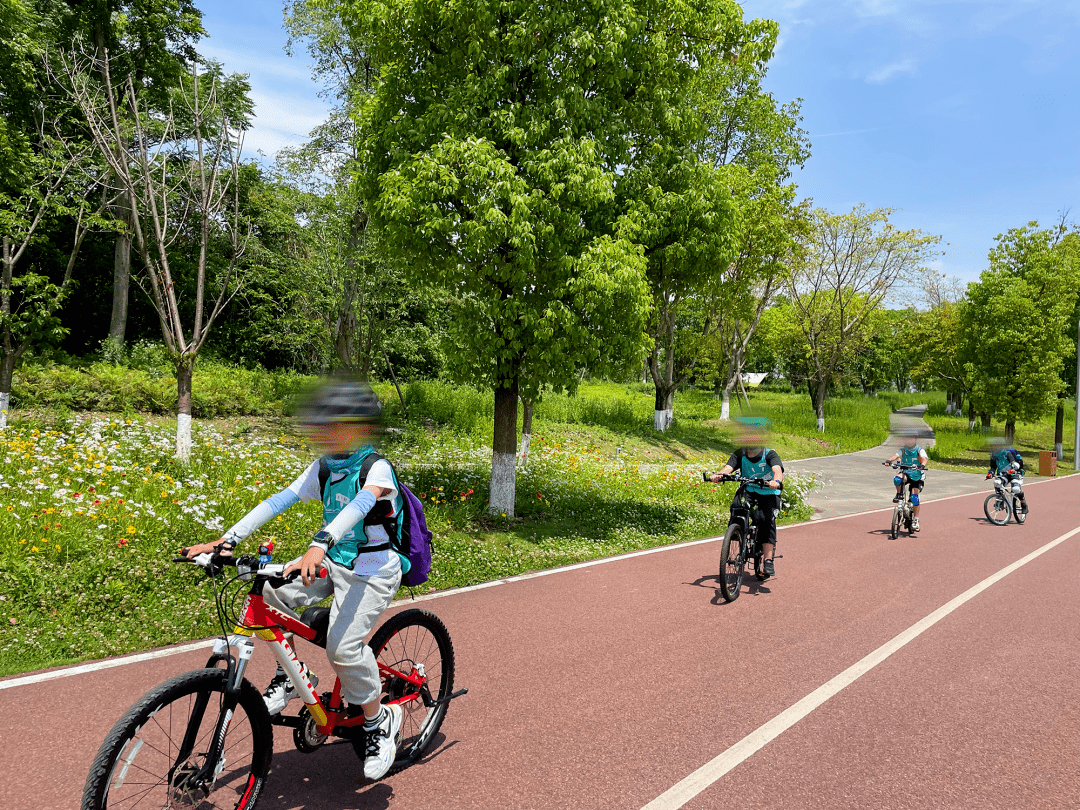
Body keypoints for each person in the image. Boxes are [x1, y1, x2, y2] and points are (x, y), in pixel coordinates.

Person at [183, 378, 404, 781]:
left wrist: (320, 542)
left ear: (359, 427)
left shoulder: (377, 467)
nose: (326, 432)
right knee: (269, 592)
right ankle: (293, 675)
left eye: (335, 423)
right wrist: (227, 539)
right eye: (323, 425)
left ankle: (378, 722)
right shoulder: (324, 466)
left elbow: (362, 503)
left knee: (343, 648)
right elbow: (279, 499)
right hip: (333, 561)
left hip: (373, 570)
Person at [709, 417, 784, 577]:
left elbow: (777, 470)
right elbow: (728, 467)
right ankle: (737, 533)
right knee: (737, 507)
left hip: (768, 492)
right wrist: (719, 475)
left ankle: (768, 560)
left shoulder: (769, 454)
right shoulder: (740, 453)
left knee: (765, 520)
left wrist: (775, 481)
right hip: (749, 490)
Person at [884, 432, 929, 532]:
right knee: (897, 478)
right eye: (906, 439)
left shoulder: (919, 450)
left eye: (911, 439)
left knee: (914, 498)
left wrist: (922, 465)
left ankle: (916, 520)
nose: (908, 441)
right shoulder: (903, 450)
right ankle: (899, 494)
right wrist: (889, 460)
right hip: (907, 473)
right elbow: (895, 456)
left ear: (915, 439)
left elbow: (924, 458)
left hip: (917, 477)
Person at [986, 437, 1027, 515]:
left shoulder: (1007, 453)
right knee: (997, 482)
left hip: (1014, 473)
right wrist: (991, 473)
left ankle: (1023, 503)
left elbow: (1014, 462)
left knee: (1016, 489)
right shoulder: (993, 456)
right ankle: (1000, 500)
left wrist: (1014, 468)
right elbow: (993, 467)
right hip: (1004, 474)